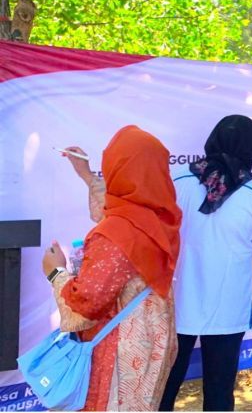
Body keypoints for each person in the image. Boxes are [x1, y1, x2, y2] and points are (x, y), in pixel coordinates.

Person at [64, 115, 252, 411]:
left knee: (162, 389)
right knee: (219, 393)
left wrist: (88, 176)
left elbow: (128, 214)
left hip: (177, 301)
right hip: (227, 307)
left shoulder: (176, 179)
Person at [44, 125, 181, 410]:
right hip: (153, 340)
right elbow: (114, 208)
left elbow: (87, 305)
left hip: (120, 350)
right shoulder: (160, 214)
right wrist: (86, 174)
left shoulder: (116, 235)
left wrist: (56, 272)